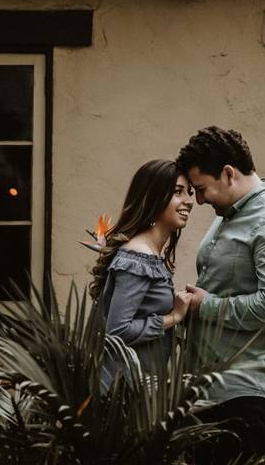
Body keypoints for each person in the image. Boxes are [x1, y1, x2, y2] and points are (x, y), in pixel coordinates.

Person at [176, 126, 265, 462]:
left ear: (228, 173)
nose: (200, 200)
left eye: (202, 189)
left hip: (249, 398)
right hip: (210, 394)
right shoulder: (229, 214)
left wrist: (205, 306)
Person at [89, 159, 195, 390]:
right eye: (178, 192)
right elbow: (117, 331)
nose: (188, 200)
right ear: (154, 197)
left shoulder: (149, 255)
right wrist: (173, 318)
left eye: (190, 192)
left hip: (140, 390)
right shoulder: (137, 256)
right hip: (122, 391)